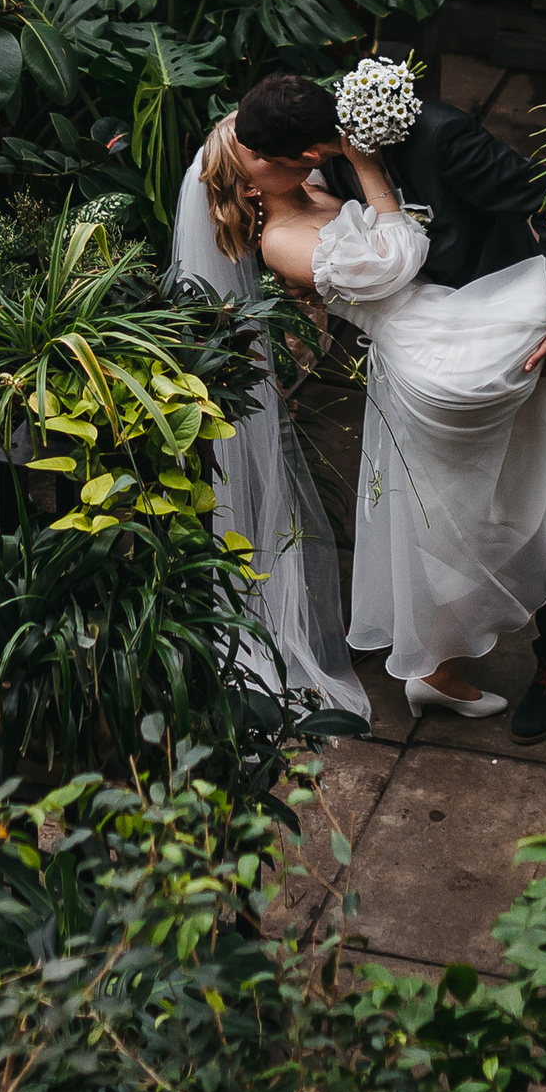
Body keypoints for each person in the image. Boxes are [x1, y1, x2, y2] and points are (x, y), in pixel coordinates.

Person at [230, 68, 546, 735]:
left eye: (261, 161)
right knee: (446, 515)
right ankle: (433, 654)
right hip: (435, 362)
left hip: (510, 326)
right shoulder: (309, 176)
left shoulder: (439, 137)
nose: (256, 169)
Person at [170, 126, 368, 724]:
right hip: (271, 350)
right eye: (264, 157)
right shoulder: (278, 238)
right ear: (252, 191)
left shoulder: (257, 155)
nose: (298, 157)